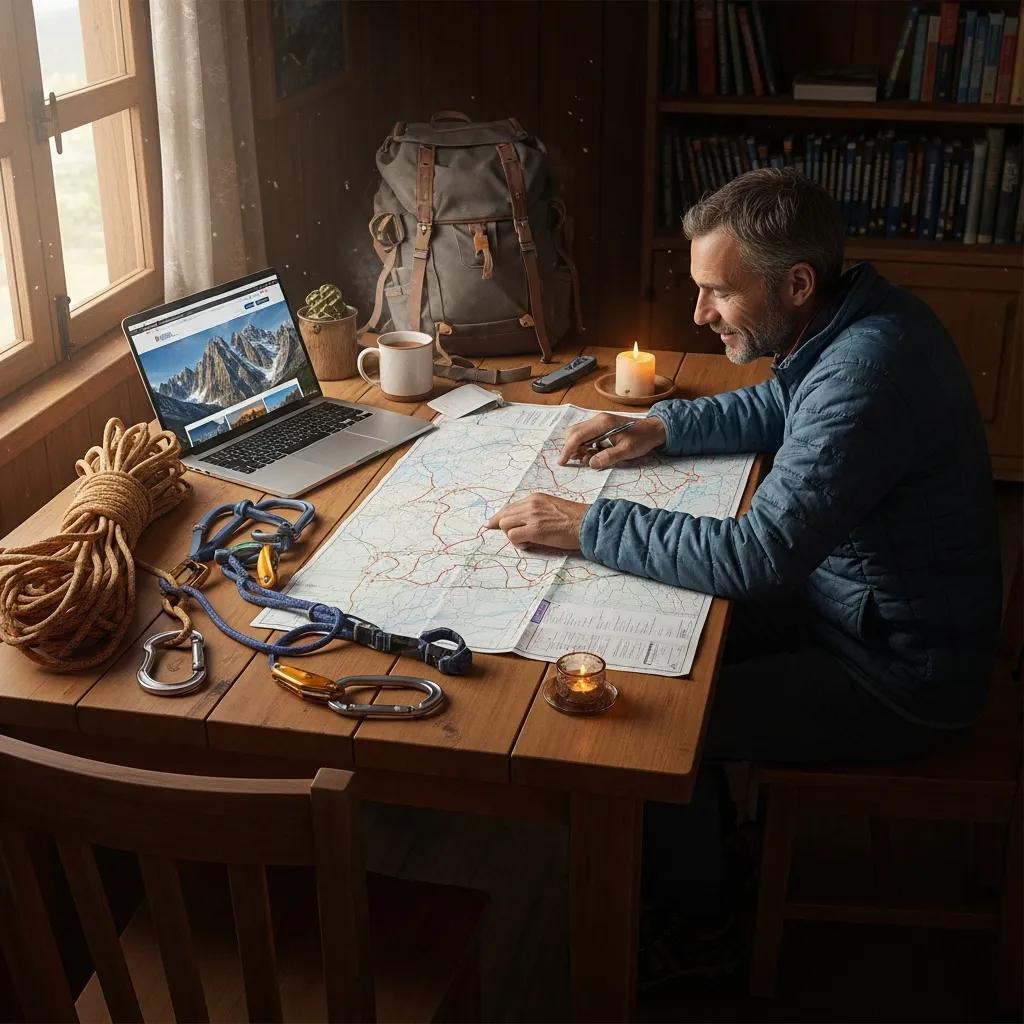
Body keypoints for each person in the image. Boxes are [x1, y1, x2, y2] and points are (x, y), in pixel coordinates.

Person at [484, 168, 1001, 983]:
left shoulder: (867, 373)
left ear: (795, 283)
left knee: (654, 723)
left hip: (900, 673)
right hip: (851, 606)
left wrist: (589, 524)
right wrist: (660, 424)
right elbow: (781, 410)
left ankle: (702, 935)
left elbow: (758, 557)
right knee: (658, 644)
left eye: (717, 294)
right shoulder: (851, 322)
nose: (698, 314)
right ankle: (708, 854)